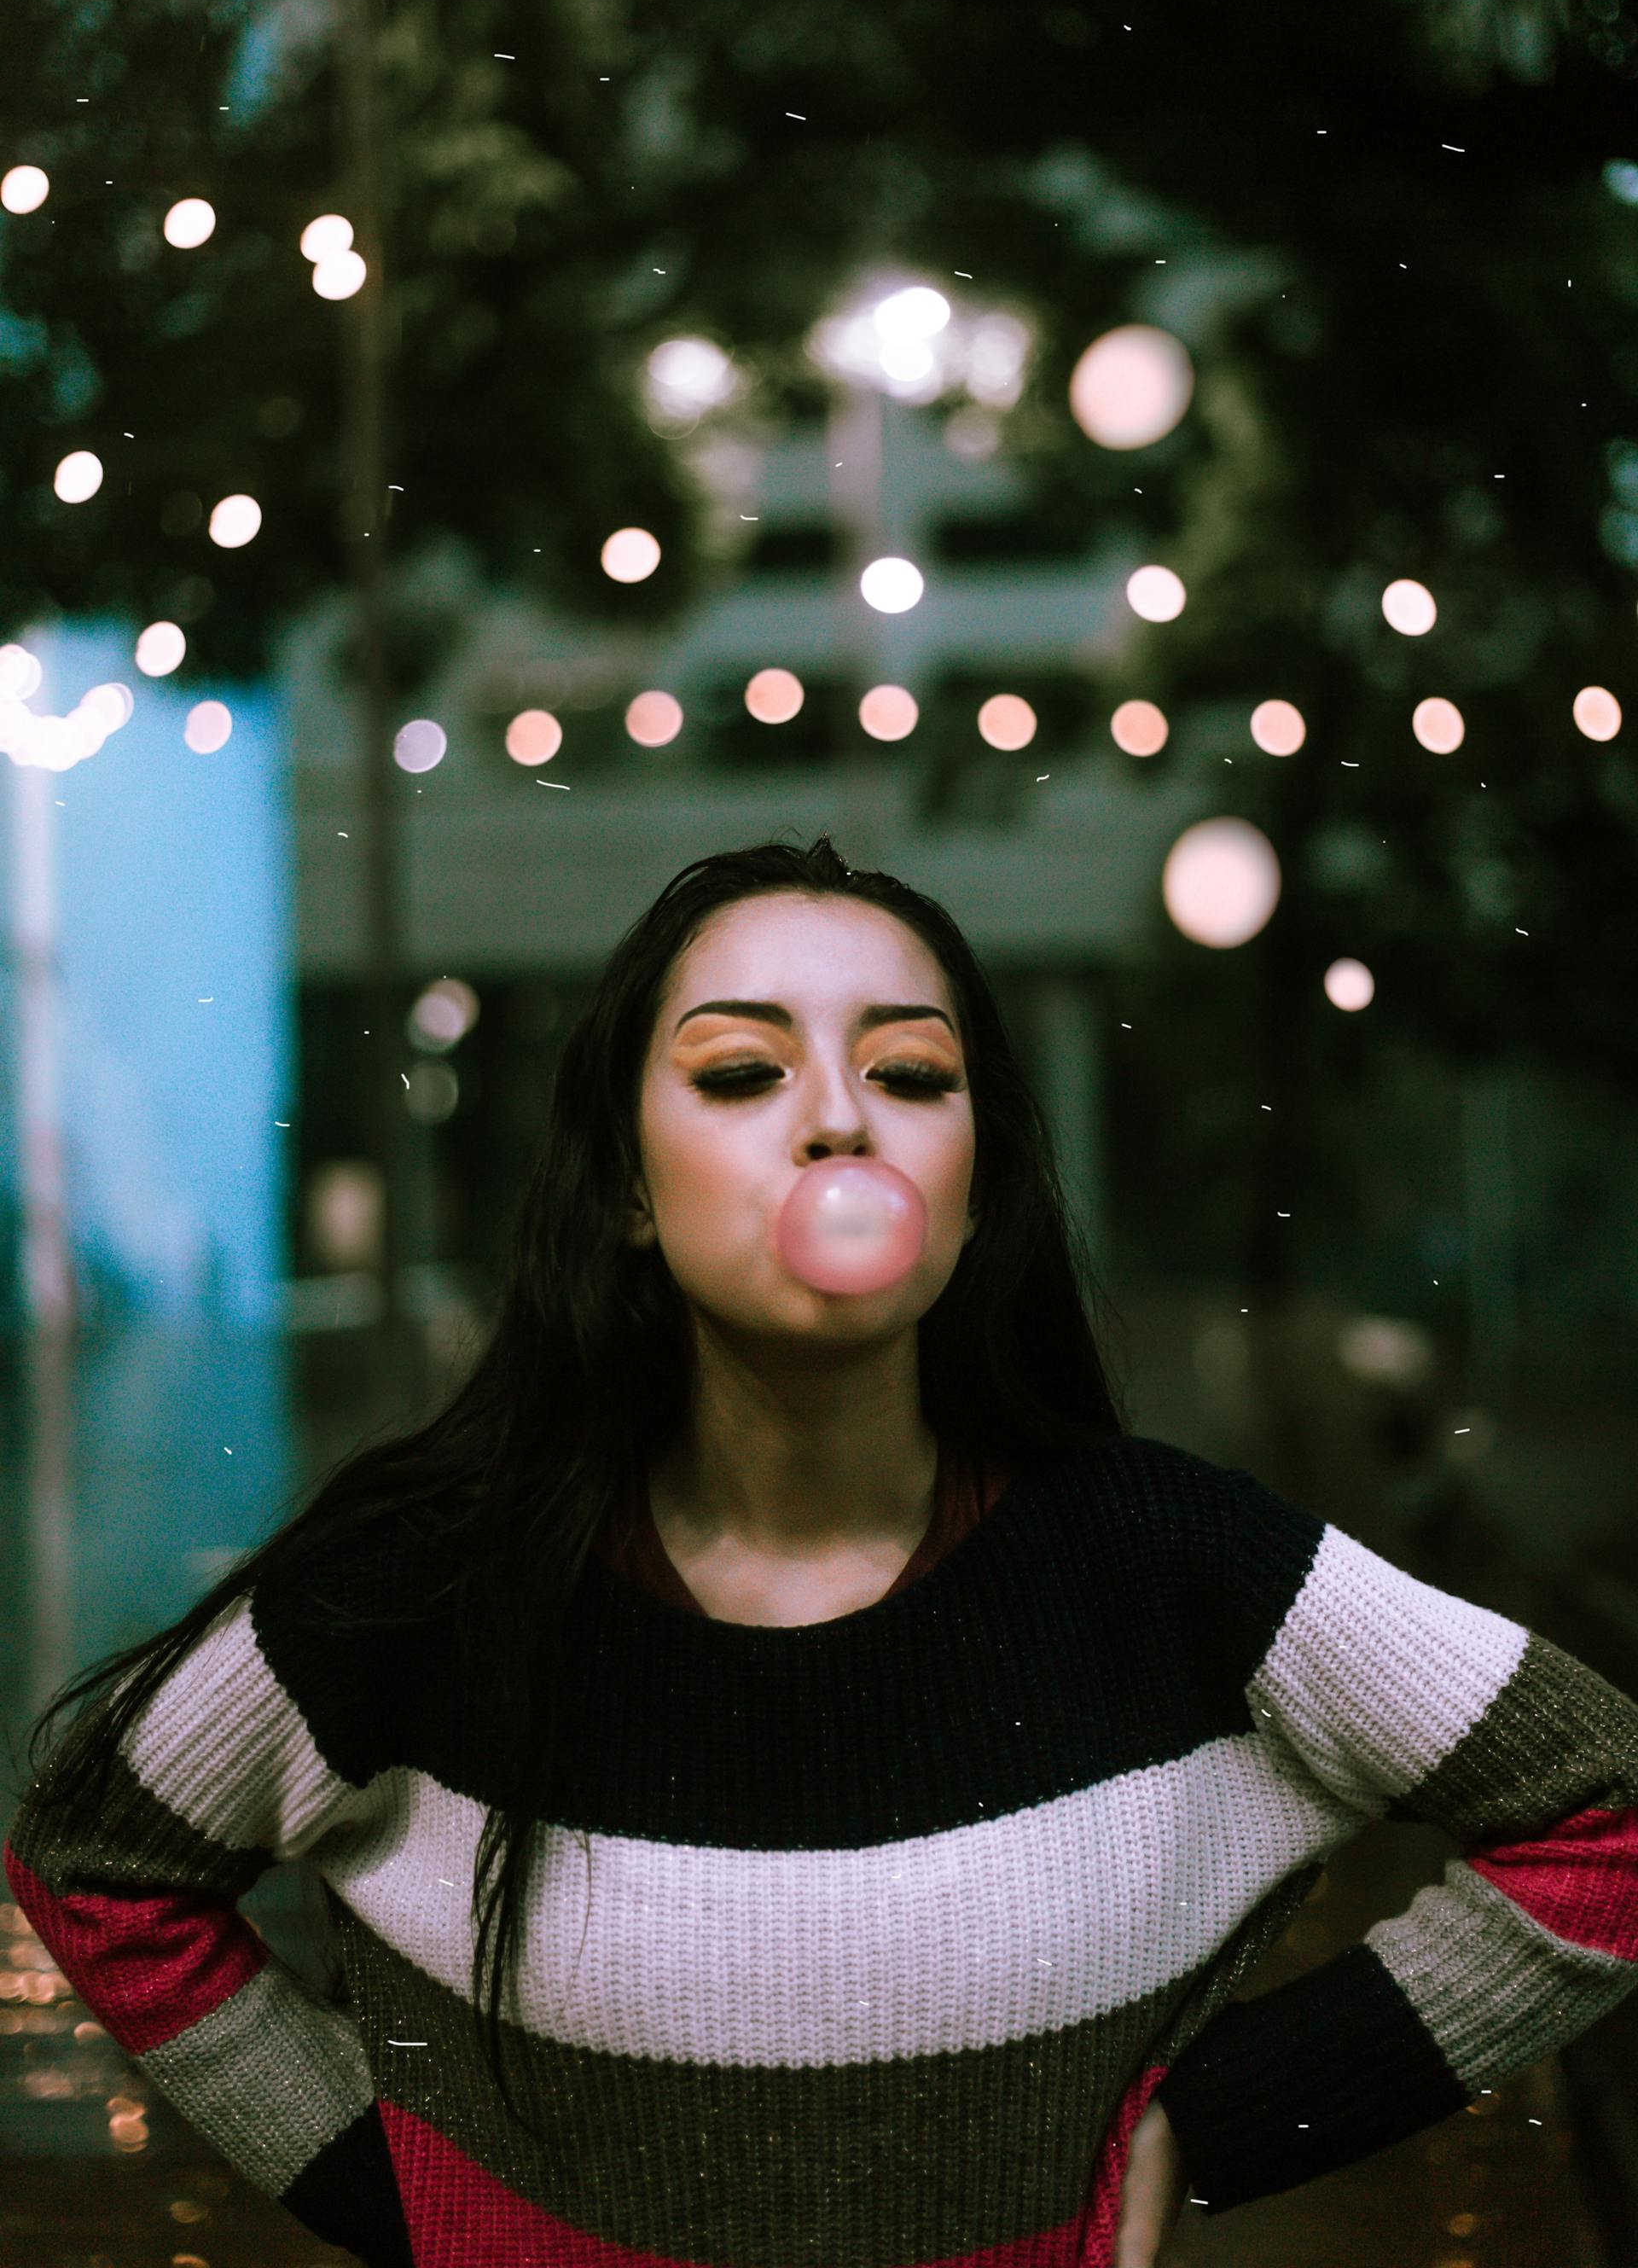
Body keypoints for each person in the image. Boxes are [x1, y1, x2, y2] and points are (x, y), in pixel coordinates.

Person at [7, 833, 1636, 2268]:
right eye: (738, 1073)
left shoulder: (1172, 1562)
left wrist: (1226, 2118)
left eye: (916, 1076)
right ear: (631, 1187)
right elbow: (97, 1863)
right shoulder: (425, 1580)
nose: (841, 1122)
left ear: (977, 1184)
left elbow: (1606, 1821)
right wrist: (405, 2195)